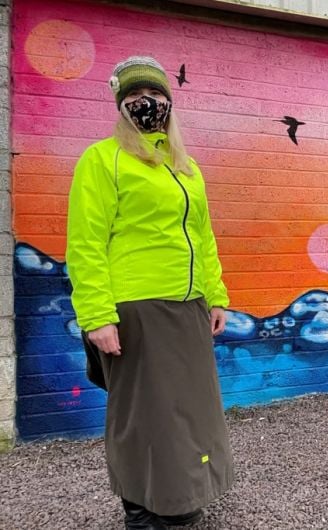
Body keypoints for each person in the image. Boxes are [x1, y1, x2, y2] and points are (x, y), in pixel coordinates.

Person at [66, 56, 234, 529]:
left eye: (157, 96)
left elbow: (203, 236)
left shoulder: (186, 168)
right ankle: (141, 508)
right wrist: (96, 315)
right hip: (134, 307)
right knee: (143, 413)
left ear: (170, 102)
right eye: (136, 98)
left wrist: (215, 294)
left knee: (188, 410)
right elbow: (85, 241)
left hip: (187, 305)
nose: (149, 104)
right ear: (121, 106)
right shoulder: (102, 160)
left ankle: (181, 494)